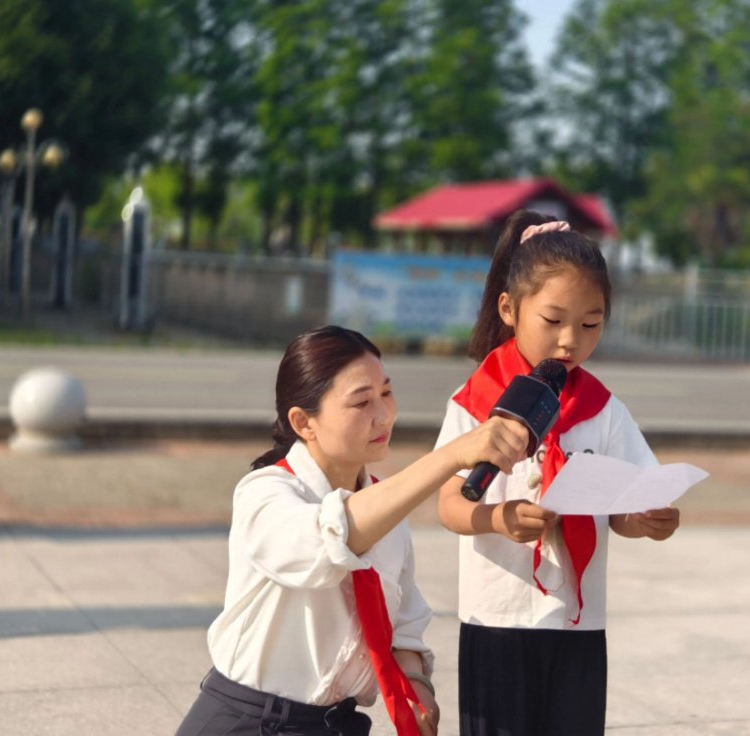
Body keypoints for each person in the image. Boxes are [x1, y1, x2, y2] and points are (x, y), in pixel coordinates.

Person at [176, 325, 528, 736]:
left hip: (335, 723)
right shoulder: (265, 493)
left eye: (386, 393)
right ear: (303, 422)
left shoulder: (384, 506)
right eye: (361, 401)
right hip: (249, 721)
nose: (383, 415)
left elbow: (404, 624)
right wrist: (451, 457)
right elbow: (331, 540)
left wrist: (417, 685)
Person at [434, 211, 681, 736]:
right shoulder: (474, 402)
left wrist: (647, 520)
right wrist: (498, 518)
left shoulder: (603, 410)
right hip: (496, 618)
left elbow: (625, 508)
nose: (570, 341)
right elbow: (450, 507)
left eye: (591, 325)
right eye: (553, 321)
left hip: (577, 621)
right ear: (508, 309)